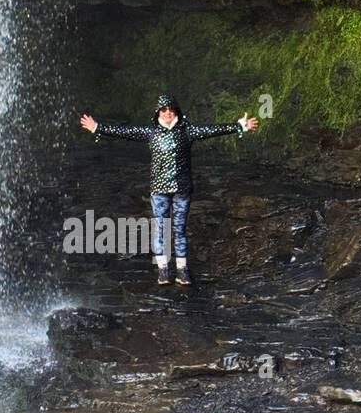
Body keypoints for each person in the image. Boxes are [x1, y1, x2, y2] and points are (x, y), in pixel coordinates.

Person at [80, 93, 258, 285]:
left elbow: (211, 130)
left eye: (170, 109)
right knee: (161, 229)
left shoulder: (187, 131)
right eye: (163, 109)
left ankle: (182, 270)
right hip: (159, 188)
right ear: (158, 112)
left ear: (176, 111)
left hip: (182, 187)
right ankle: (163, 270)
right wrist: (98, 127)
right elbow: (125, 131)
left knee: (179, 229)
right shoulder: (151, 132)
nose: (167, 113)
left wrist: (239, 126)